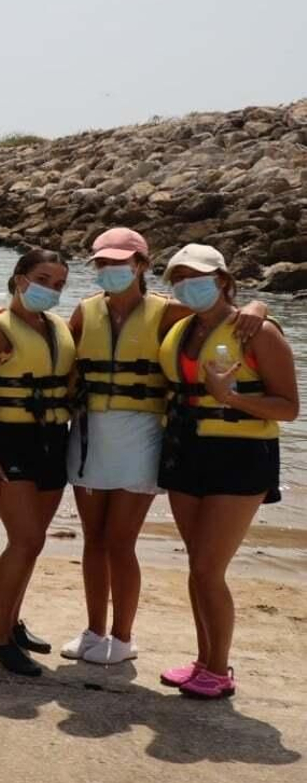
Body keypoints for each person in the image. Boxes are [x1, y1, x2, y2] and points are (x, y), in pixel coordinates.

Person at [61, 227, 269, 667]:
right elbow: (53, 343)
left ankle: (123, 636)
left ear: (141, 265)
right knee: (92, 540)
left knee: (121, 541)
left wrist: (258, 304)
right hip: (88, 434)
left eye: (120, 263)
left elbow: (227, 320)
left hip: (141, 434)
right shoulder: (83, 312)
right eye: (102, 263)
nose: (110, 270)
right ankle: (94, 629)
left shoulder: (169, 312)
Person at [157, 244, 297, 699]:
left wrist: (231, 397)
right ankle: (203, 661)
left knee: (208, 567)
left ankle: (219, 670)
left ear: (223, 280)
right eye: (177, 278)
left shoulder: (258, 332)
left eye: (196, 276)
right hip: (186, 451)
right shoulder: (180, 326)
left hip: (241, 456)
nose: (186, 285)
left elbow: (289, 407)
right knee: (196, 568)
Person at [0, 249, 74, 677]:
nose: (51, 289)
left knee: (35, 540)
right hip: (8, 440)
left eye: (60, 284)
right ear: (19, 278)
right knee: (24, 539)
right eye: (43, 278)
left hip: (52, 438)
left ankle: (12, 621)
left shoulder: (58, 327)